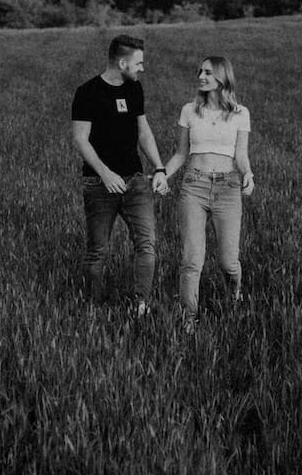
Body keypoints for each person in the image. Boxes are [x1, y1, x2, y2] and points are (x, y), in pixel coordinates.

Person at [70, 34, 169, 310]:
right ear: (122, 62)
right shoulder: (87, 92)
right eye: (138, 63)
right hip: (99, 183)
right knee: (98, 251)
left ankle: (141, 304)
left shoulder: (134, 89)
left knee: (146, 245)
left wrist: (159, 168)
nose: (142, 68)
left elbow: (144, 132)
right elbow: (80, 139)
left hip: (135, 181)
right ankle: (94, 307)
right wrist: (105, 173)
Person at [160, 55, 254, 327]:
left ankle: (235, 291)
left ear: (222, 78)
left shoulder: (240, 113)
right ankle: (189, 319)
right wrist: (162, 175)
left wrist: (248, 173)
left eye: (208, 72)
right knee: (192, 260)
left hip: (228, 187)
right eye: (200, 71)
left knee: (228, 262)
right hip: (194, 186)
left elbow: (241, 154)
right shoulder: (189, 110)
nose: (201, 76)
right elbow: (180, 154)